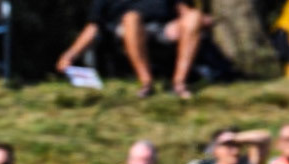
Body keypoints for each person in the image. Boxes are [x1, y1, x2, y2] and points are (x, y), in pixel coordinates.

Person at [54, 0, 212, 99]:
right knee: (131, 18)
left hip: (163, 29)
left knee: (194, 16)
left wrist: (199, 20)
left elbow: (183, 10)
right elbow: (93, 28)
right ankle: (146, 83)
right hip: (127, 32)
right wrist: (70, 54)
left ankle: (179, 83)